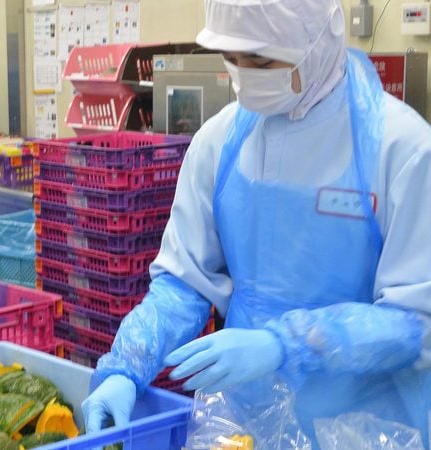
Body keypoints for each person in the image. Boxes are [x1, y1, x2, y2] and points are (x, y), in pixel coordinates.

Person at [82, 0, 431, 447]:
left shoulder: (403, 150)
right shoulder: (219, 142)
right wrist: (127, 366)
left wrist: (285, 345)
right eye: (232, 59)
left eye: (262, 62)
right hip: (240, 421)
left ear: (320, 38)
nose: (245, 76)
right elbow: (184, 286)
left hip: (365, 429)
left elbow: (415, 323)